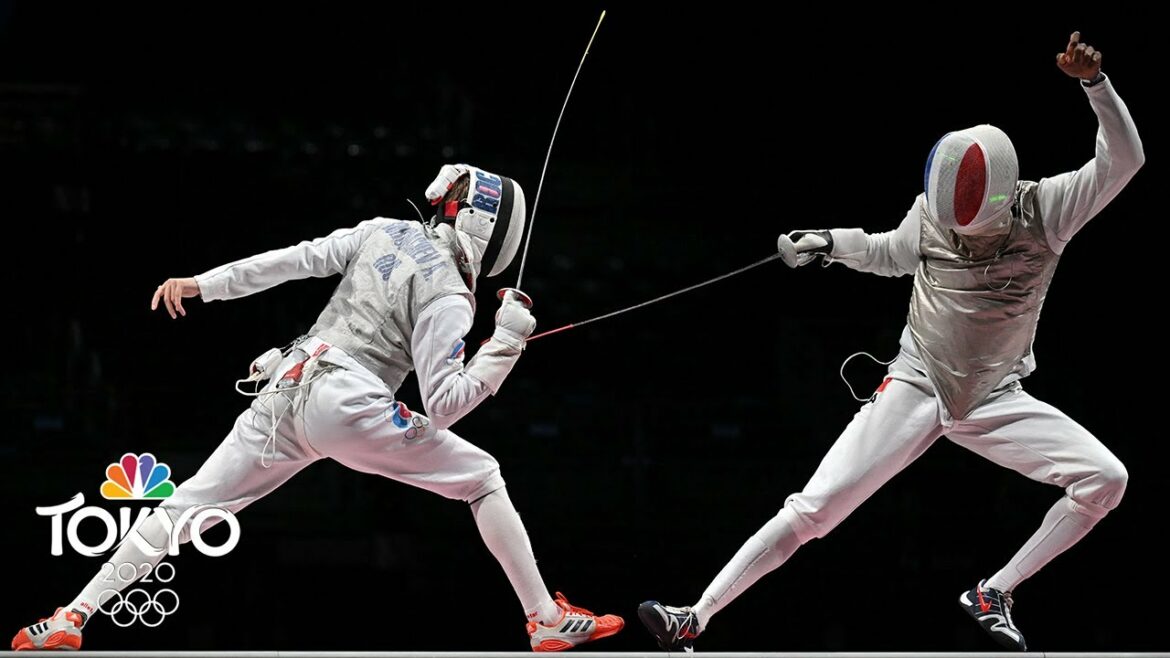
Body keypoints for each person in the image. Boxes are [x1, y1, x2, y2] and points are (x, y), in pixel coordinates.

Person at [639, 32, 1143, 652]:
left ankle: (995, 592)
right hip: (917, 380)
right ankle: (696, 616)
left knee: (1105, 479)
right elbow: (888, 251)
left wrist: (1095, 85)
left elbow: (1124, 161)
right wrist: (829, 240)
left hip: (994, 395)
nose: (955, 233)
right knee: (814, 510)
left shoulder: (1049, 210)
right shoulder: (931, 213)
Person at [13, 164, 624, 652]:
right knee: (483, 479)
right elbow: (444, 405)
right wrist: (508, 342)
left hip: (288, 385)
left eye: (454, 197)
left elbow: (290, 261)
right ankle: (543, 618)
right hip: (349, 404)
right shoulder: (450, 298)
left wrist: (204, 283)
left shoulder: (382, 230)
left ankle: (71, 617)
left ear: (463, 213)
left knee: (188, 506)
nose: (444, 200)